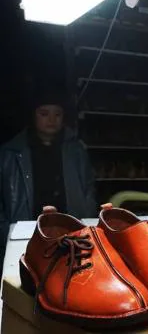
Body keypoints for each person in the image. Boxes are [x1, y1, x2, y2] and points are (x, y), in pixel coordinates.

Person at [0, 92, 97, 272]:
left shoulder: (76, 150)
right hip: (27, 234)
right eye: (44, 113)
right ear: (33, 116)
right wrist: (7, 232)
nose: (51, 119)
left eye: (57, 114)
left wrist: (85, 223)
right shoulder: (10, 153)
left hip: (71, 234)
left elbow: (88, 188)